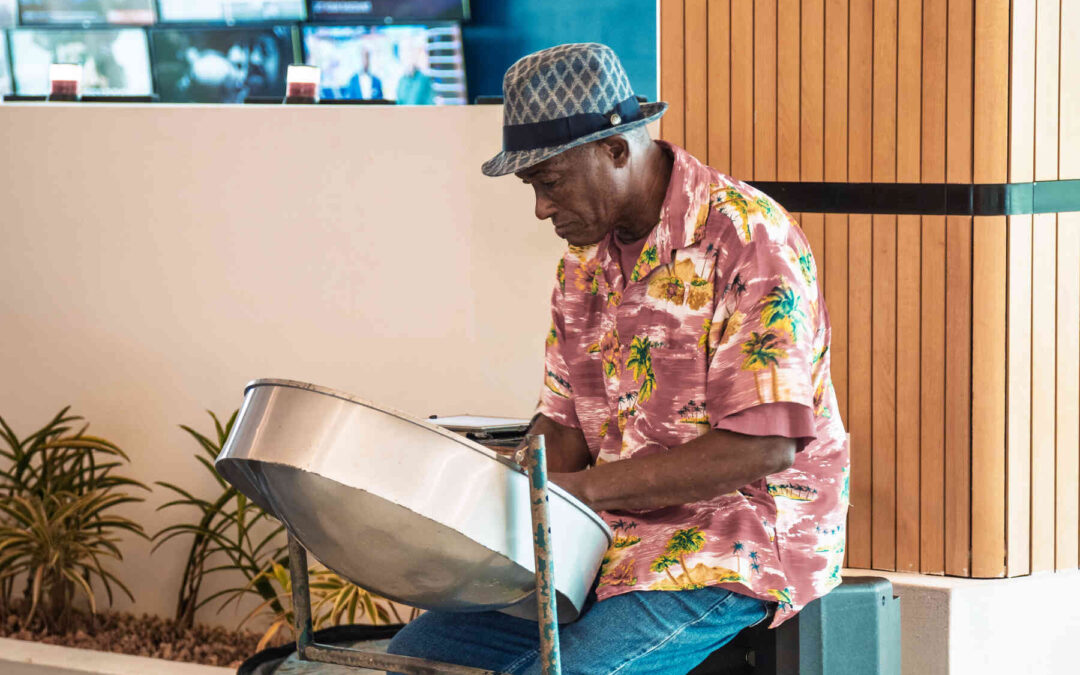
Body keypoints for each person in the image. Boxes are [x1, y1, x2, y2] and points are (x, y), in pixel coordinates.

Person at [388, 42, 850, 675]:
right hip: (608, 535)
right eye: (533, 186)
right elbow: (564, 424)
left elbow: (761, 448)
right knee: (416, 660)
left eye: (549, 182)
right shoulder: (583, 261)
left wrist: (576, 494)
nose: (541, 207)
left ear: (614, 149)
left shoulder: (748, 237)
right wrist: (491, 498)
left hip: (734, 539)